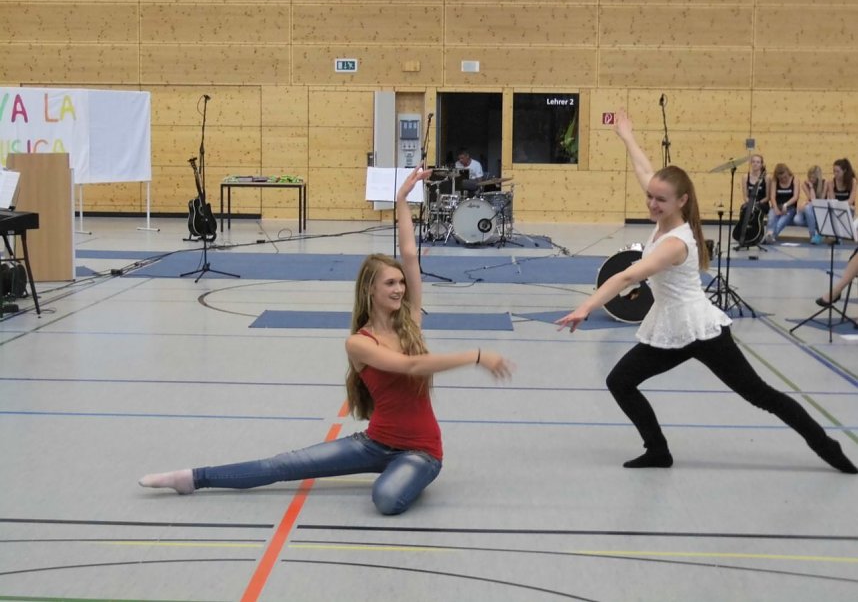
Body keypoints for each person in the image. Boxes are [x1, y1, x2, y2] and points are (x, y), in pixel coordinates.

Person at [139, 166, 513, 514]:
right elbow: (410, 366)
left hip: (421, 452)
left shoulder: (410, 322)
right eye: (390, 283)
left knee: (386, 499)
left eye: (401, 283)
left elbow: (411, 255)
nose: (400, 289)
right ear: (370, 289)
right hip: (374, 442)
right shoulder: (360, 344)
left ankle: (403, 472)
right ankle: (193, 478)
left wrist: (402, 202)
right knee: (282, 465)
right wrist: (476, 355)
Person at [554, 109, 856, 474]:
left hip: (701, 331)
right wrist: (626, 135)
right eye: (650, 198)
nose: (651, 204)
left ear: (681, 202)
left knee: (761, 395)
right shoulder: (664, 217)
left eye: (660, 201)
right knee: (620, 381)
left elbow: (626, 277)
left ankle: (829, 447)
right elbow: (644, 171)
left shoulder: (676, 242)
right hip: (670, 328)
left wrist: (585, 307)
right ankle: (658, 451)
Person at [763, 163, 799, 244]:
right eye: (781, 179)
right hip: (777, 205)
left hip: (790, 207)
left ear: (787, 172)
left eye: (785, 177)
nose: (783, 180)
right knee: (771, 218)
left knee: (780, 222)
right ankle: (769, 236)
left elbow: (795, 197)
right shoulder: (775, 180)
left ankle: (770, 236)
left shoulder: (795, 179)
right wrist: (775, 208)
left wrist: (785, 205)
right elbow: (772, 196)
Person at [793, 165, 826, 244]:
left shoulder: (825, 183)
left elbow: (817, 201)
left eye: (814, 178)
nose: (811, 179)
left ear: (818, 177)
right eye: (810, 177)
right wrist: (810, 188)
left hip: (820, 208)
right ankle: (816, 230)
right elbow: (811, 199)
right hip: (811, 208)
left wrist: (811, 188)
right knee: (797, 220)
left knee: (807, 207)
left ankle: (812, 235)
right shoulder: (805, 184)